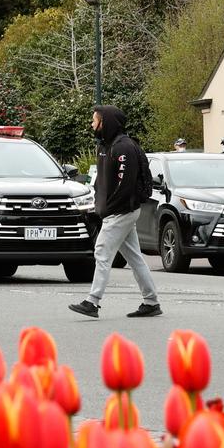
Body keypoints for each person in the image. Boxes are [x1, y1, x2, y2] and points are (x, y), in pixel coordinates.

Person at [68, 105, 161, 319]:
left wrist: (107, 210)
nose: (92, 124)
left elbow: (124, 185)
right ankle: (151, 301)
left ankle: (92, 301)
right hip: (120, 210)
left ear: (105, 123)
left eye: (95, 120)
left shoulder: (123, 148)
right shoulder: (108, 145)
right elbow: (104, 182)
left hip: (120, 211)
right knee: (134, 257)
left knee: (101, 251)